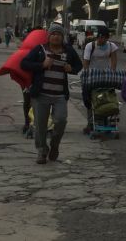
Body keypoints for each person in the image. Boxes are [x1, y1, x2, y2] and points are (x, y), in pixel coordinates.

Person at [20, 23, 82, 164]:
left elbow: (78, 66)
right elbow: (24, 64)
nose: (56, 37)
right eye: (53, 34)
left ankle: (54, 146)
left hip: (60, 95)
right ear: (49, 36)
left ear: (62, 37)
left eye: (59, 34)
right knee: (40, 125)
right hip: (41, 94)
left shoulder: (68, 51)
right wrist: (41, 65)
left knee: (61, 121)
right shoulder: (40, 50)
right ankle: (42, 151)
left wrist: (71, 68)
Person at [81, 26, 119, 134]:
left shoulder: (111, 46)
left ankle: (106, 121)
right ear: (98, 37)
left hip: (105, 76)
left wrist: (112, 74)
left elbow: (114, 61)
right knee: (89, 100)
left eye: (105, 38)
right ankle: (90, 123)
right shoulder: (90, 46)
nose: (103, 40)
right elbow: (86, 62)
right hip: (92, 76)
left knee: (106, 98)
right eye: (101, 38)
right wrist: (87, 75)